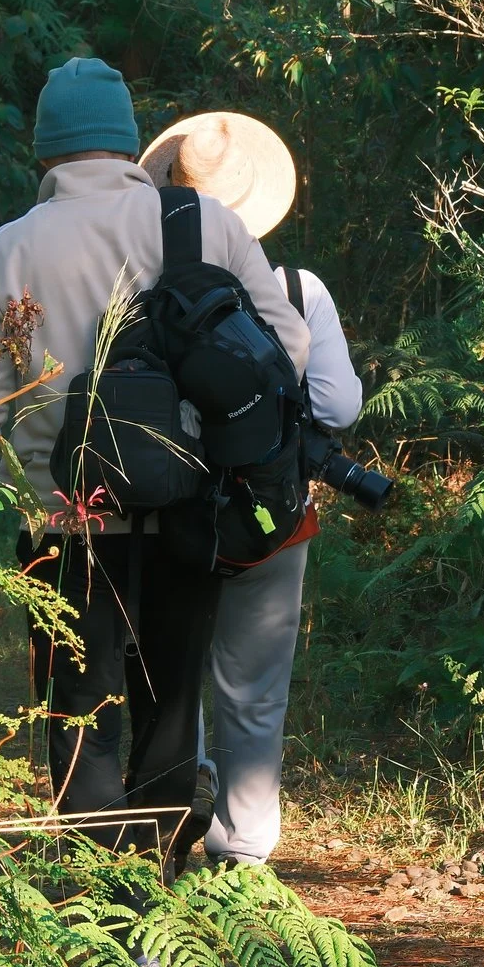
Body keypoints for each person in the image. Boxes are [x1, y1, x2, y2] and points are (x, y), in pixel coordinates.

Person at [0, 60, 310, 869]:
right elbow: (291, 346)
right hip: (189, 511)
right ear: (126, 142)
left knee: (81, 721)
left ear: (45, 150)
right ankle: (161, 904)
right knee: (171, 711)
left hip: (64, 527)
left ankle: (115, 921)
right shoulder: (203, 224)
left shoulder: (2, 253)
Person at [141, 112, 363, 868]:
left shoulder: (145, 284)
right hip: (273, 520)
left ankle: (175, 809)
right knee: (255, 687)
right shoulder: (300, 290)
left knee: (170, 672)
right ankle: (243, 851)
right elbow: (336, 407)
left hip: (167, 513)